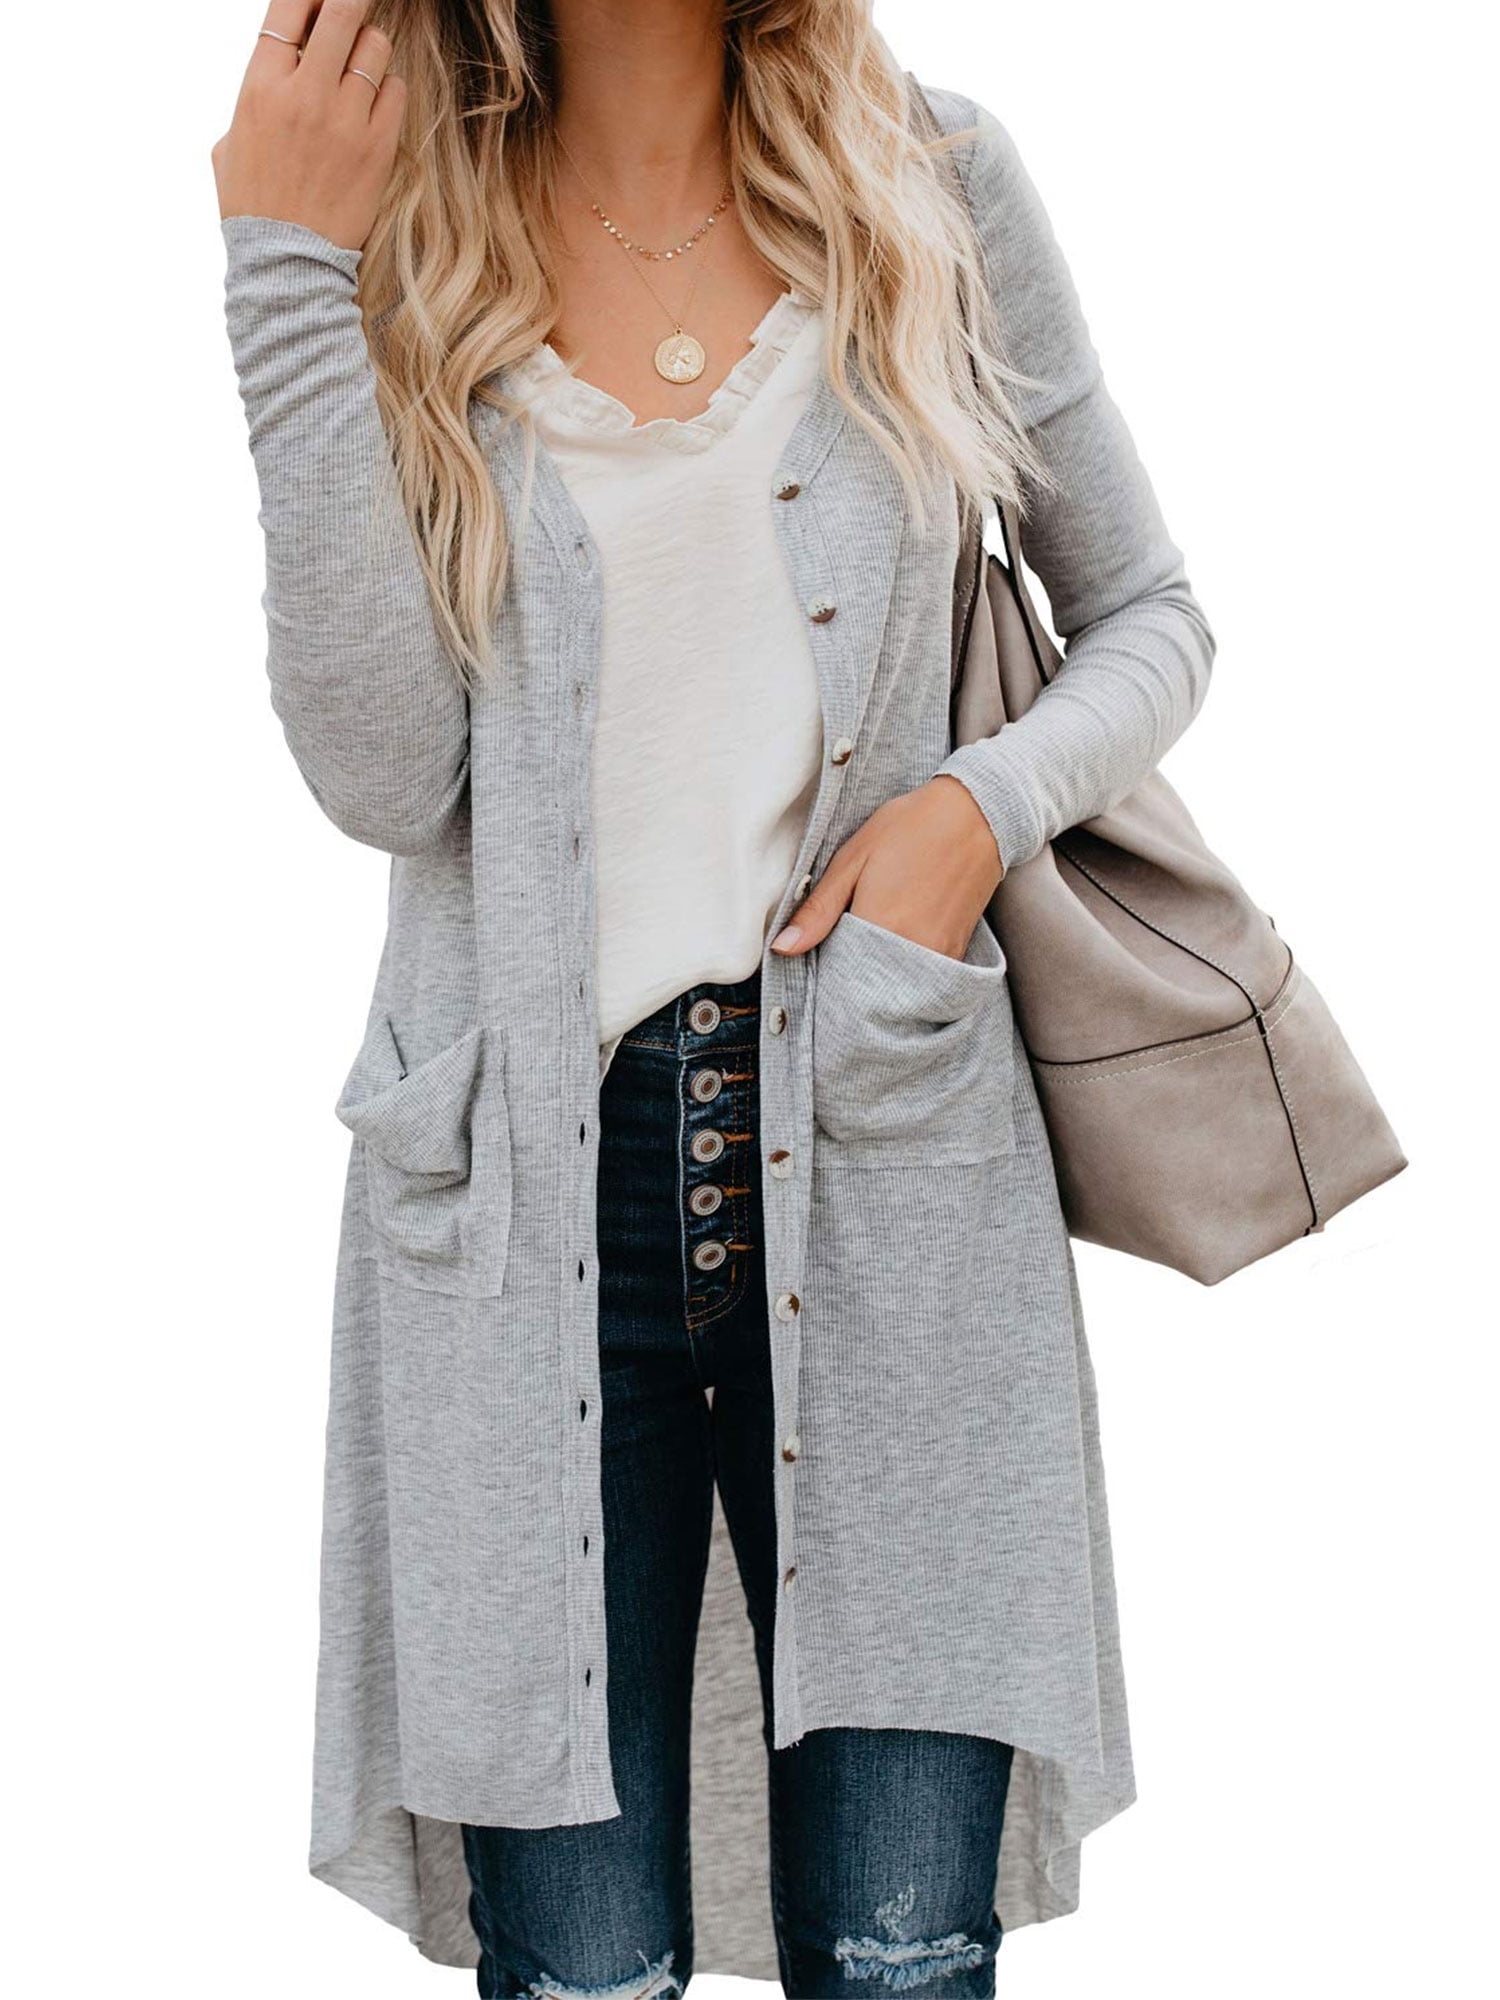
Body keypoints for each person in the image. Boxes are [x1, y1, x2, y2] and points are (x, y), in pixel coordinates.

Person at [212, 2, 1215, 1993]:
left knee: (900, 1952)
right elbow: (385, 777)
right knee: (580, 1970)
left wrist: (968, 813)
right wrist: (284, 281)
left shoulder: (932, 181)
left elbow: (1149, 617)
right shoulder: (397, 224)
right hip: (523, 1220)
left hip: (894, 1177)